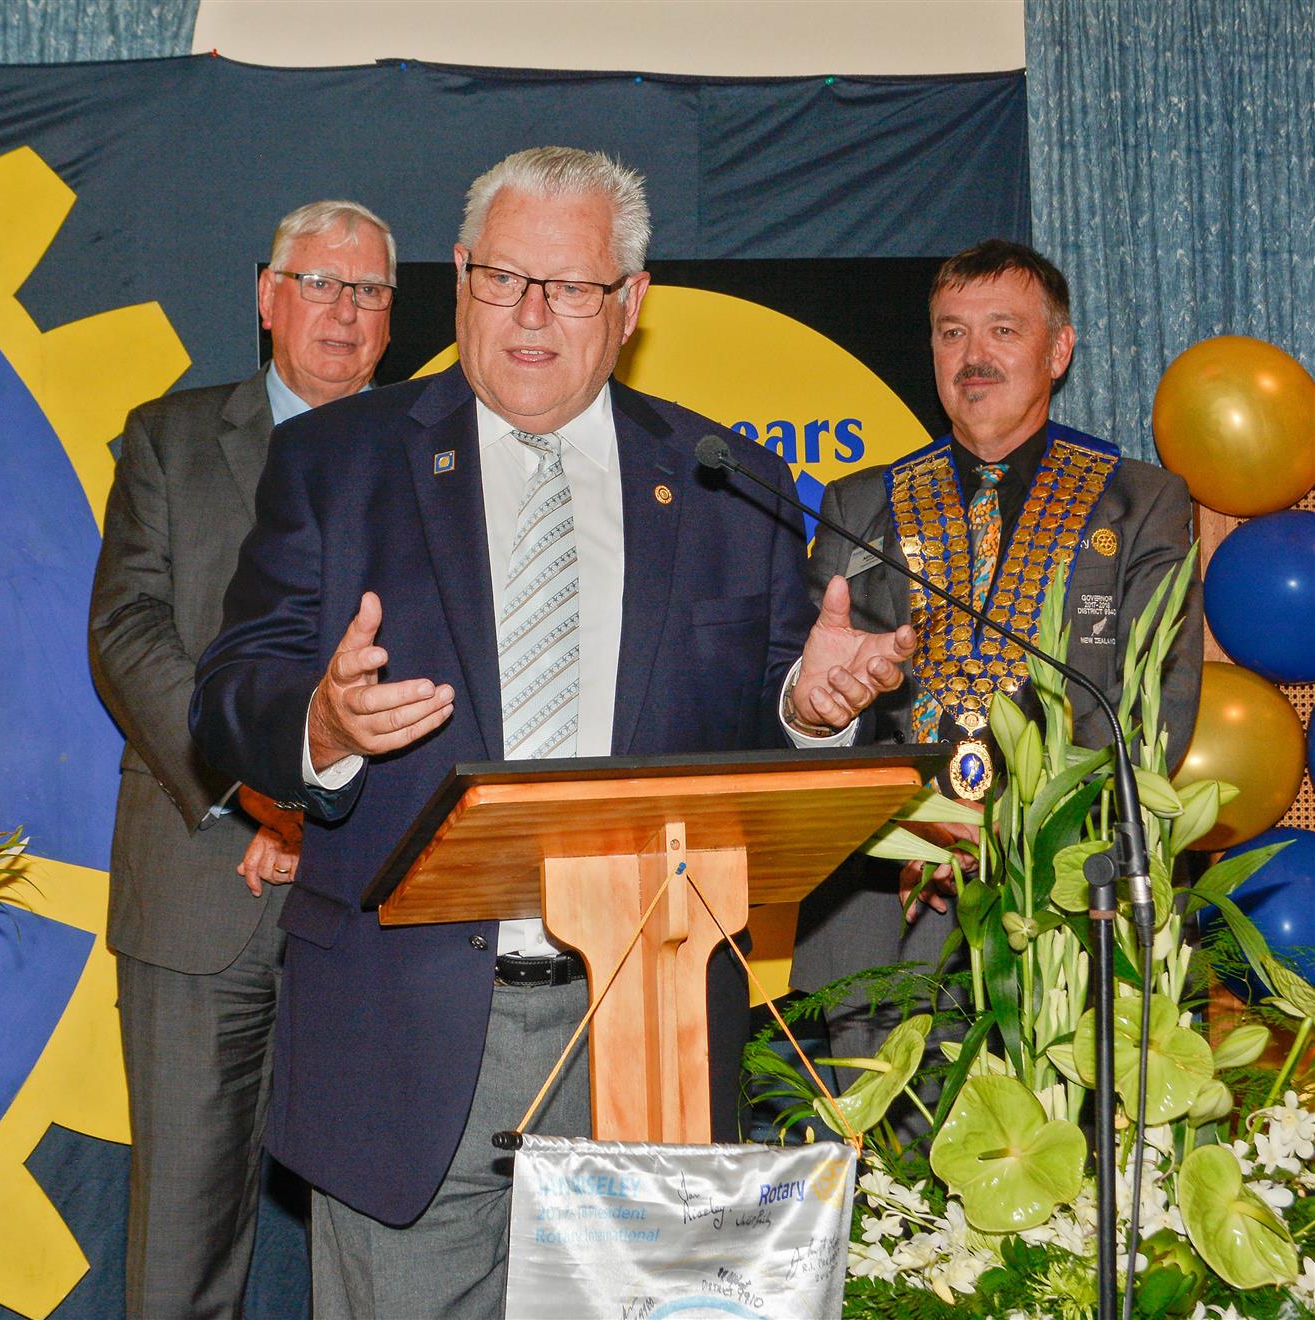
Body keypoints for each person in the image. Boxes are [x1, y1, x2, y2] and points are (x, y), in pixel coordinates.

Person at [189, 147, 913, 1318]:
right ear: (462, 275)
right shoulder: (337, 459)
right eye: (503, 279)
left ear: (630, 303)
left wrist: (809, 708)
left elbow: (765, 721)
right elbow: (230, 690)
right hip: (403, 1035)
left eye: (570, 287)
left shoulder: (724, 480)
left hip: (647, 1027)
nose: (531, 314)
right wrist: (320, 722)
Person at [89, 199, 395, 1317]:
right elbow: (128, 636)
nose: (343, 311)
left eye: (368, 290)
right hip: (202, 879)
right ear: (268, 297)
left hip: (382, 900)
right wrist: (264, 796)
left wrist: (324, 818)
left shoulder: (440, 449)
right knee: (182, 1249)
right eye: (319, 283)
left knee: (388, 1242)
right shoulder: (169, 439)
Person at [793, 239, 1204, 1067]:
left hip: (1067, 905)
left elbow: (1152, 705)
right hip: (883, 911)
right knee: (880, 1142)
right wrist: (919, 818)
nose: (973, 356)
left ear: (1059, 350)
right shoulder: (859, 504)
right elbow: (815, 714)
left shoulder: (1140, 502)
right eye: (952, 333)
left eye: (1002, 331)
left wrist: (1010, 828)